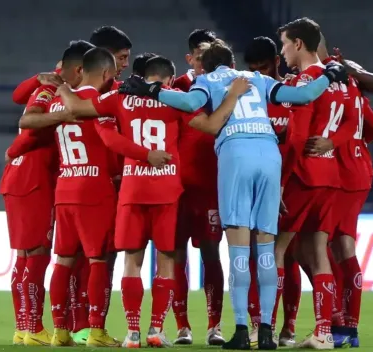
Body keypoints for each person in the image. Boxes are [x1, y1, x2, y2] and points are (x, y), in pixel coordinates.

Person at [119, 39, 348, 350]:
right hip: (269, 156)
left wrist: (152, 90)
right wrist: (330, 74)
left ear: (207, 65)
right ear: (232, 61)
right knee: (266, 249)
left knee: (239, 249)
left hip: (236, 154)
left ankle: (242, 329)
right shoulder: (260, 79)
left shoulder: (206, 81)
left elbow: (188, 105)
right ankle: (266, 330)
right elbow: (305, 94)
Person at [55, 55, 238, 348]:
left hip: (132, 189)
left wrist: (62, 87)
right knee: (166, 261)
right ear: (167, 80)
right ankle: (155, 329)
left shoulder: (120, 96)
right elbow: (212, 125)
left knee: (131, 262)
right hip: (166, 190)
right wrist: (233, 96)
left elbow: (76, 107)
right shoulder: (176, 99)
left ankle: (132, 333)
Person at [1, 39, 95, 346]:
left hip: (19, 178)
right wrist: (62, 115)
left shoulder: (44, 88)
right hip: (35, 179)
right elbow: (27, 122)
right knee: (38, 253)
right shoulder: (54, 92)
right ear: (77, 70)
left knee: (24, 255)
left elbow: (19, 98)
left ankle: (23, 326)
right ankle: (33, 327)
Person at [275, 18, 358, 349]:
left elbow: (296, 139)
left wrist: (280, 182)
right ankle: (325, 332)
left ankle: (266, 327)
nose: (281, 51)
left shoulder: (308, 81)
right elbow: (355, 121)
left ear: (297, 44)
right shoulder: (341, 78)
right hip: (330, 177)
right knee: (318, 252)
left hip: (303, 175)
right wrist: (333, 143)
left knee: (276, 249)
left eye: (283, 44)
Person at [304, 37, 373, 348]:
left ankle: (339, 323)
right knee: (336, 247)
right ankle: (346, 327)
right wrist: (356, 148)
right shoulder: (349, 80)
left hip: (339, 172)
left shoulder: (322, 79)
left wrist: (339, 145)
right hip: (358, 169)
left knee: (328, 247)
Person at [243, 36, 301, 348]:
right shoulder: (246, 95)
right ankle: (259, 323)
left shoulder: (291, 91)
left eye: (264, 67)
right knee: (256, 254)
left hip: (291, 183)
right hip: (256, 182)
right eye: (253, 69)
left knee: (289, 255)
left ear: (276, 62)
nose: (259, 75)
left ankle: (288, 327)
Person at [172, 29, 225, 346]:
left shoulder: (227, 86)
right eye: (202, 55)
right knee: (176, 255)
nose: (207, 61)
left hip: (210, 185)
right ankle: (182, 326)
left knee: (211, 254)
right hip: (178, 186)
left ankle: (214, 325)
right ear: (190, 58)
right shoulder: (176, 87)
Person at [12, 26, 133, 105]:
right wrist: (37, 79)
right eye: (121, 58)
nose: (126, 64)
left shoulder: (113, 86)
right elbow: (18, 97)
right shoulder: (65, 78)